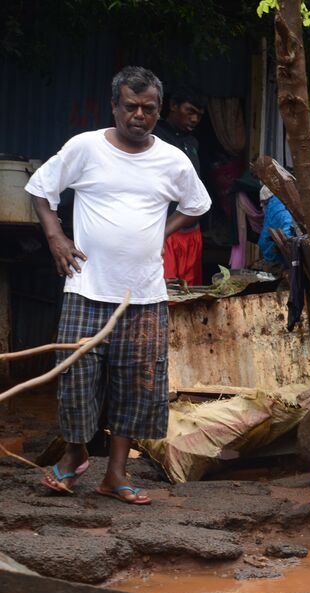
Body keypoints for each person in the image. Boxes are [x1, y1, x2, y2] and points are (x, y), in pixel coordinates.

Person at [26, 66, 212, 505]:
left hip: (143, 293)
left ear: (158, 111)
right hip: (86, 284)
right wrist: (56, 237)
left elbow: (197, 204)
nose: (139, 115)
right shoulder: (85, 147)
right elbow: (40, 189)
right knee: (76, 378)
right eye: (130, 106)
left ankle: (116, 473)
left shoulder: (172, 159)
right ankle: (74, 458)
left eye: (149, 108)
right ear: (115, 106)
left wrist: (161, 232)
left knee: (137, 384)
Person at [152, 85, 207, 286]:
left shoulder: (192, 142)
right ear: (173, 106)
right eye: (189, 111)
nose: (194, 119)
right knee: (166, 289)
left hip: (191, 229)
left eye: (199, 115)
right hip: (165, 227)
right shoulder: (155, 137)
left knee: (189, 290)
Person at [257, 185, 292, 267]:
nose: (261, 205)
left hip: (279, 259)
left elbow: (288, 225)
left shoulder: (277, 208)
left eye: (263, 202)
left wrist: (283, 245)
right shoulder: (273, 208)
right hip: (275, 257)